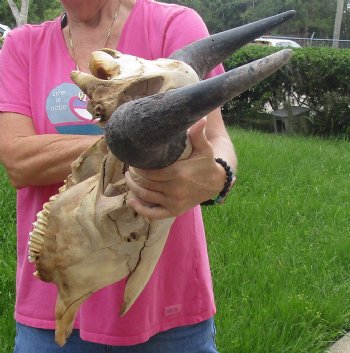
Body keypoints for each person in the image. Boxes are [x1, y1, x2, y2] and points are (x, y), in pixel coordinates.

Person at [0, 0, 237, 352]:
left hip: (168, 311)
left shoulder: (172, 25)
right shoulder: (22, 46)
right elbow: (19, 160)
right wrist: (135, 136)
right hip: (54, 310)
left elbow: (215, 140)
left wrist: (218, 177)